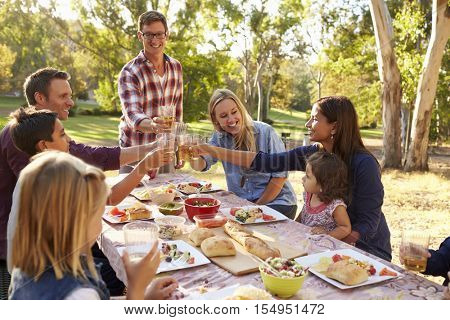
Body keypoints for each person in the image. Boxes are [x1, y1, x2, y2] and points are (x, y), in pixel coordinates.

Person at [0, 67, 155, 298]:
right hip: (25, 251)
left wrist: (150, 149)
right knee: (113, 270)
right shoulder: (27, 146)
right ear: (40, 98)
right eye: (63, 96)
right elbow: (103, 195)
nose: (71, 102)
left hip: (51, 248)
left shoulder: (41, 133)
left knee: (110, 268)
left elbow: (89, 154)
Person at [194, 96, 392, 261]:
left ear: (334, 127)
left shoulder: (364, 164)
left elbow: (368, 222)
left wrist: (330, 247)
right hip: (325, 245)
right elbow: (265, 162)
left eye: (315, 119)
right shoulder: (314, 154)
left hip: (365, 250)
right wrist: (214, 151)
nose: (308, 124)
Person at [6, 107, 173, 271]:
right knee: (123, 267)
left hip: (27, 268)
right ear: (44, 145)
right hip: (49, 272)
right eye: (62, 134)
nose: (69, 140)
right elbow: (111, 198)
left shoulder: (34, 171)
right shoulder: (54, 177)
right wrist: (143, 167)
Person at [8, 151, 178, 299]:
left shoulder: (29, 265)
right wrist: (136, 287)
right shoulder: (78, 294)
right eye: (98, 216)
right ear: (77, 223)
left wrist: (145, 297)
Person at [189, 89, 297, 218]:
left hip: (277, 202)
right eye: (223, 116)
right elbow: (201, 166)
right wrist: (193, 155)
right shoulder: (219, 138)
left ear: (241, 110)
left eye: (234, 112)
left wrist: (255, 208)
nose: (231, 119)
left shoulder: (266, 132)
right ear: (216, 120)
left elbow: (280, 177)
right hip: (244, 204)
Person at [118, 10, 183, 176]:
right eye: (149, 35)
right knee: (131, 201)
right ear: (140, 36)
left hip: (165, 153)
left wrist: (179, 146)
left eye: (159, 34)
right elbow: (132, 114)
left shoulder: (176, 67)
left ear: (166, 35)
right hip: (135, 153)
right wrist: (153, 125)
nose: (155, 40)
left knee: (169, 200)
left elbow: (177, 112)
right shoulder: (130, 72)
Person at [299, 151, 351, 240]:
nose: (303, 179)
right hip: (306, 240)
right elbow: (304, 213)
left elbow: (345, 228)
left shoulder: (335, 206)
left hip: (323, 248)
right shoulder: (309, 194)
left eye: (308, 176)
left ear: (323, 185)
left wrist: (327, 235)